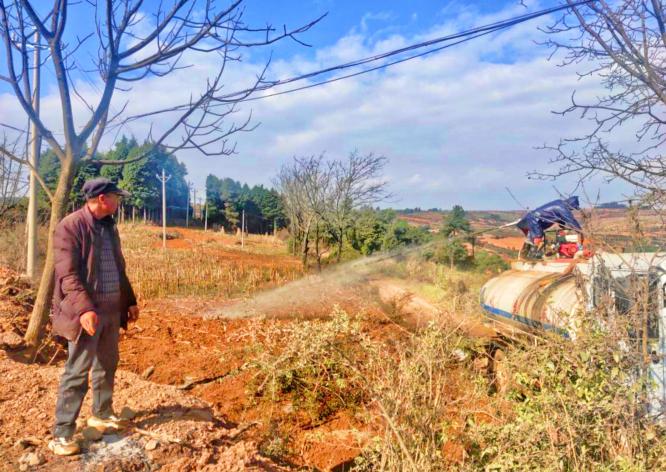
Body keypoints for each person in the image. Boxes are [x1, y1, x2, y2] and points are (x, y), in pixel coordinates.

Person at [48, 177, 139, 456]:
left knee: (107, 364)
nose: (118, 202)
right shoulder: (70, 227)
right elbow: (68, 276)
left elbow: (118, 268)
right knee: (77, 371)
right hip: (85, 314)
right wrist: (85, 309)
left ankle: (101, 413)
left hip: (111, 311)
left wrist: (130, 300)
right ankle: (62, 433)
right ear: (102, 199)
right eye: (116, 197)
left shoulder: (109, 226)